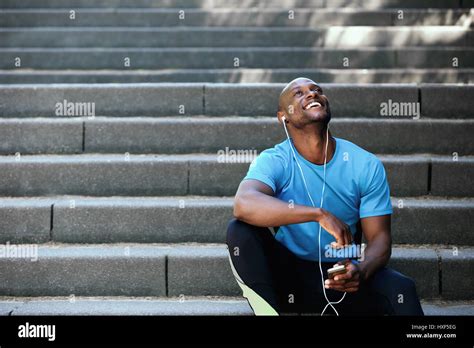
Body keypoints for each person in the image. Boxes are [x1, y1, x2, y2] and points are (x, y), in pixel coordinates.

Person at [226, 77, 424, 316]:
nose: (311, 94)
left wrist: (361, 270)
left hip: (341, 275)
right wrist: (318, 214)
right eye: (298, 93)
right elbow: (244, 203)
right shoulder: (275, 160)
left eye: (316, 90)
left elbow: (380, 240)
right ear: (283, 117)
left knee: (402, 289)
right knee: (239, 229)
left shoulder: (364, 164)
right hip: (288, 277)